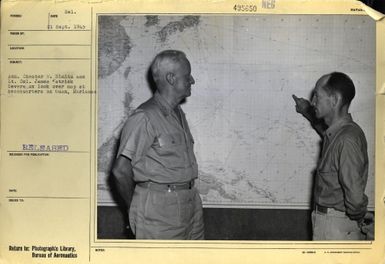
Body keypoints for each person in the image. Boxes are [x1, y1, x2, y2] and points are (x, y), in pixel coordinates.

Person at [112, 50, 204, 239]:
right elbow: (120, 171)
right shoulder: (144, 117)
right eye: (187, 76)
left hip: (191, 205)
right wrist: (135, 210)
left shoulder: (177, 113)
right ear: (171, 78)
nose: (192, 80)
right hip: (159, 213)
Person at [292, 72, 373, 240]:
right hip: (329, 223)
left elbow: (355, 199)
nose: (313, 101)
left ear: (334, 100)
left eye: (317, 96)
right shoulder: (337, 135)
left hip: (337, 227)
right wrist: (307, 110)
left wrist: (357, 219)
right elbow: (324, 131)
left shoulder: (347, 140)